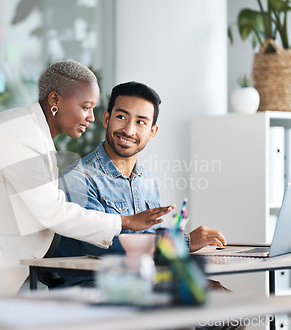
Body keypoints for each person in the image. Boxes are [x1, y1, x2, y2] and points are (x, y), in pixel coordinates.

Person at [0, 61, 173, 299]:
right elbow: (53, 212)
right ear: (55, 99)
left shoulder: (33, 135)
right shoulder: (22, 135)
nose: (92, 117)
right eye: (85, 106)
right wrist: (125, 222)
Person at [54, 81, 227, 287]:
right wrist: (185, 242)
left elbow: (153, 243)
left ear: (152, 132)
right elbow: (99, 244)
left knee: (217, 292)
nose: (128, 130)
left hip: (142, 280)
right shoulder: (78, 178)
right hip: (96, 287)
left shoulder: (147, 182)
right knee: (208, 294)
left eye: (141, 122)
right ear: (107, 118)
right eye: (121, 117)